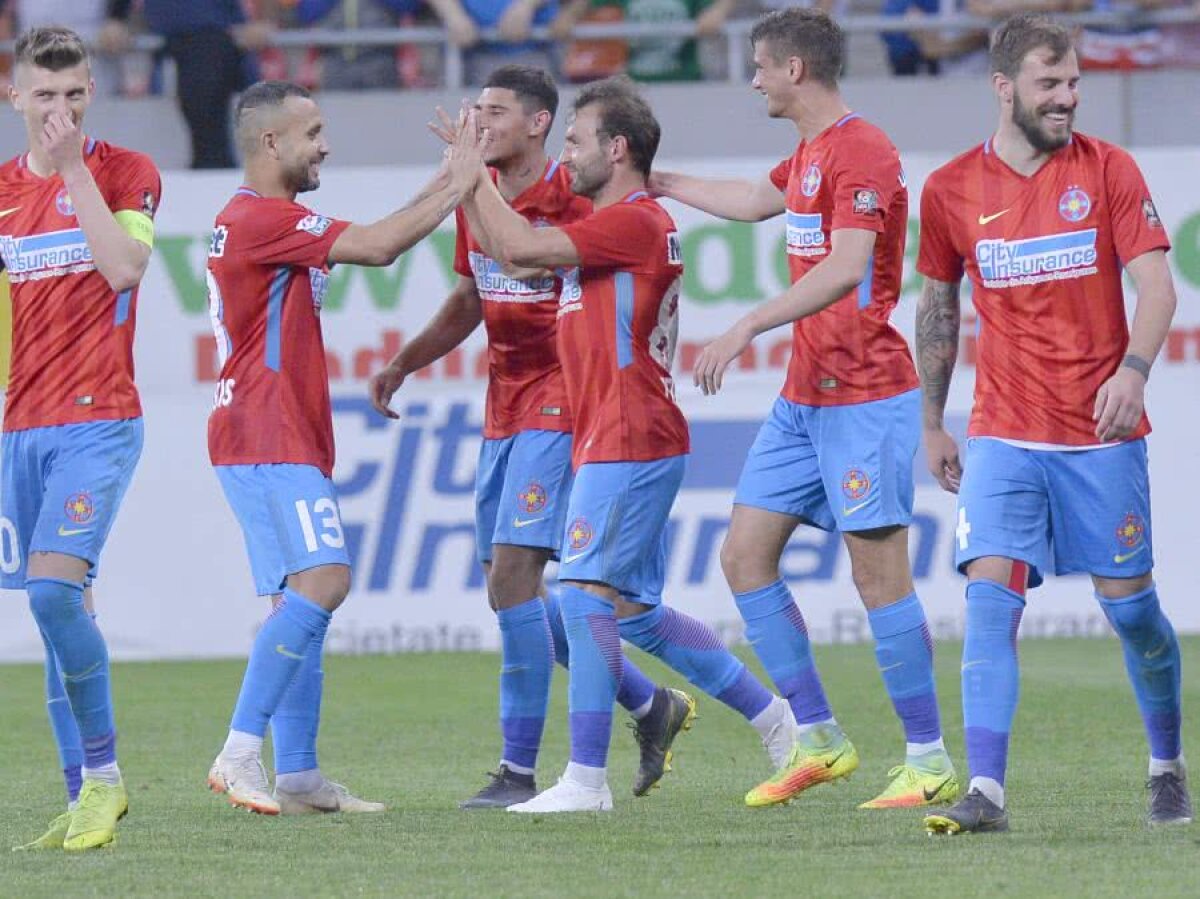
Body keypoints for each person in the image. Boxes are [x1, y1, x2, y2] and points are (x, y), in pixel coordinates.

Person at [459, 75, 796, 813]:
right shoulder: (619, 223)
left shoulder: (634, 222)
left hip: (628, 435)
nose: (565, 155)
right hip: (619, 436)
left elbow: (517, 246)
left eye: (575, 141)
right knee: (635, 612)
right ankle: (779, 723)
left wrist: (467, 174)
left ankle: (585, 780)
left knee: (582, 596)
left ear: (616, 149)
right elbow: (511, 257)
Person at [650, 7, 959, 811]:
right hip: (805, 395)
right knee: (743, 556)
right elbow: (758, 198)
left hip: (866, 394)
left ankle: (928, 758)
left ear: (795, 69)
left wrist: (749, 322)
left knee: (877, 575)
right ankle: (820, 739)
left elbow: (850, 265)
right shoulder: (812, 151)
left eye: (760, 66)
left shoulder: (864, 148)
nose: (753, 80)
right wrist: (663, 182)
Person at [371, 65, 701, 808]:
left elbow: (525, 255)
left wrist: (464, 179)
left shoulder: (577, 194)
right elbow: (472, 295)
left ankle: (518, 770)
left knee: (522, 578)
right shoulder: (481, 190)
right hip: (504, 404)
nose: (478, 123)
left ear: (539, 123)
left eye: (494, 112)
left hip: (564, 398)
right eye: (476, 111)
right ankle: (649, 703)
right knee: (506, 588)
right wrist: (405, 361)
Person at [916, 13, 1191, 834]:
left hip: (1100, 437)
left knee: (1132, 611)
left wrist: (1133, 372)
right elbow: (937, 310)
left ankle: (1167, 764)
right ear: (1003, 88)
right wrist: (931, 422)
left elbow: (1159, 287)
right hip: (1004, 431)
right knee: (988, 596)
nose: (1067, 97)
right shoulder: (950, 189)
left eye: (1073, 82)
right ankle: (986, 791)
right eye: (1050, 84)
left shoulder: (1108, 169)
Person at [204, 79, 478, 815]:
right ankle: (238, 753)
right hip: (269, 432)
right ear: (271, 142)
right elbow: (381, 247)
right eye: (313, 132)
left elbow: (379, 230)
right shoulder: (263, 219)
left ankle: (298, 776)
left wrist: (448, 177)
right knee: (325, 580)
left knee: (298, 604)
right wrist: (460, 186)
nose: (325, 146)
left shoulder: (263, 218)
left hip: (262, 430)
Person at [2, 26, 161, 851]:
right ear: (14, 96)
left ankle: (104, 776)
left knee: (53, 592)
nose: (58, 110)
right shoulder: (0, 191)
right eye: (43, 95)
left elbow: (124, 269)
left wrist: (71, 171)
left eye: (73, 94)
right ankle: (79, 796)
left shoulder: (127, 172)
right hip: (21, 426)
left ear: (91, 92)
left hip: (99, 417)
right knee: (59, 612)